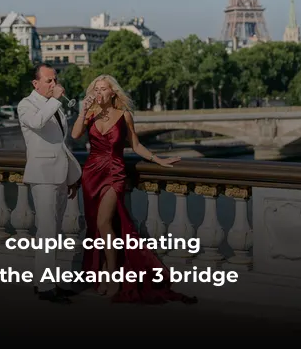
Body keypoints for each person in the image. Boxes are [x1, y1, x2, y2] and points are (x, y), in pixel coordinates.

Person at [71, 74, 197, 305]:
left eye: (103, 89)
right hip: (91, 173)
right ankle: (104, 271)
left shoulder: (124, 115)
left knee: (104, 223)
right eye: (95, 89)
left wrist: (158, 160)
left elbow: (136, 145)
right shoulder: (90, 114)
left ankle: (112, 275)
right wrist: (83, 110)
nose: (99, 93)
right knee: (95, 226)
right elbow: (75, 135)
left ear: (113, 93)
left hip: (115, 173)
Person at [17, 63, 82, 304]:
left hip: (59, 174)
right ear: (36, 83)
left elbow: (60, 144)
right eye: (48, 81)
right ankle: (45, 287)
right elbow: (36, 123)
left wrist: (72, 176)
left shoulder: (54, 106)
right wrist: (55, 100)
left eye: (54, 80)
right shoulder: (26, 104)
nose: (54, 85)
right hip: (42, 175)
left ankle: (45, 281)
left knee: (53, 232)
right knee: (46, 232)